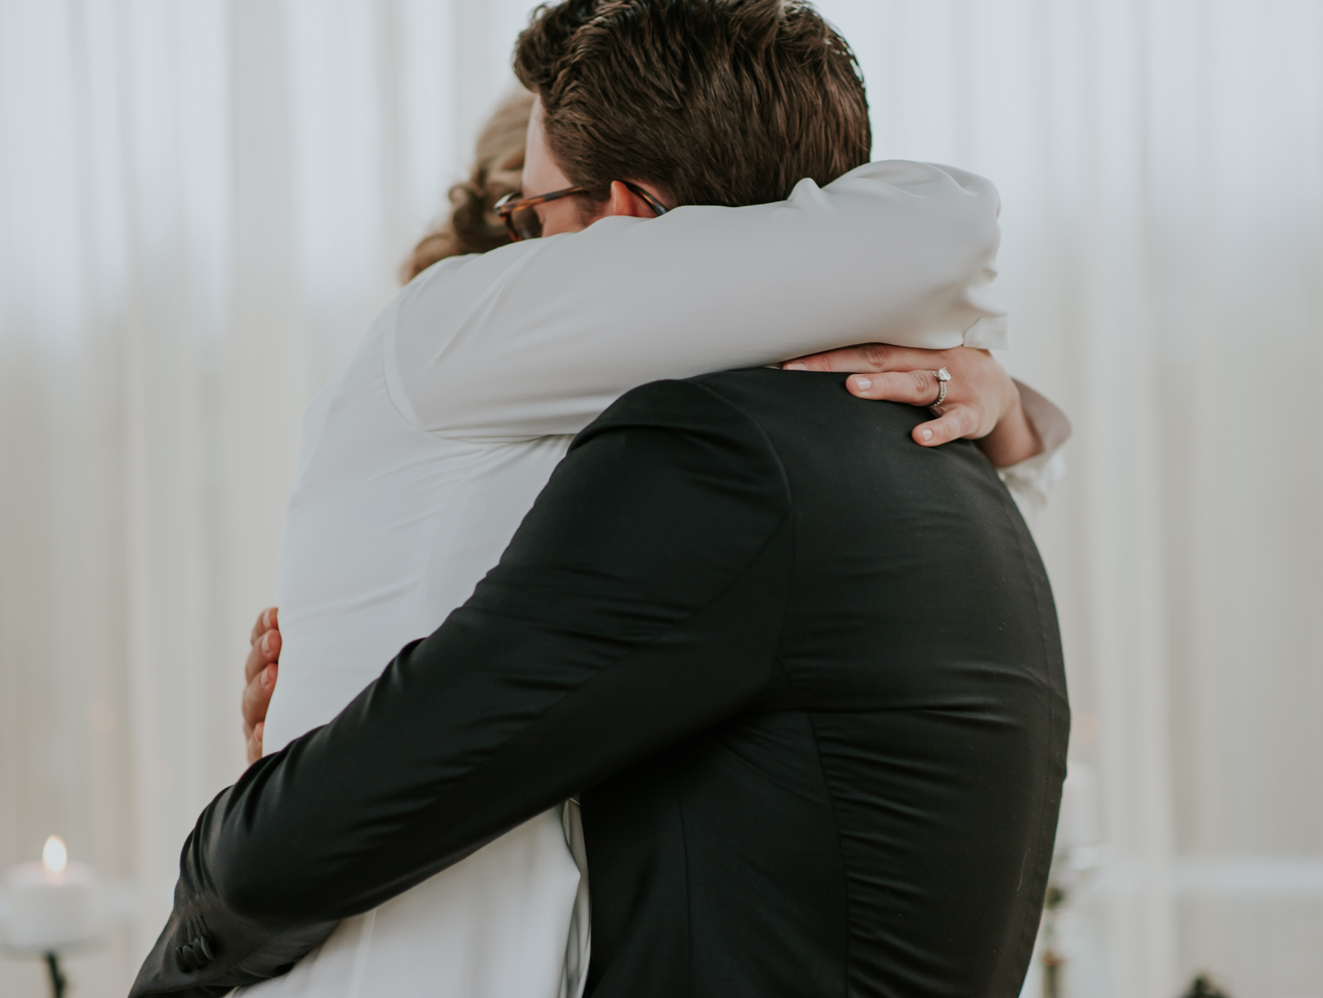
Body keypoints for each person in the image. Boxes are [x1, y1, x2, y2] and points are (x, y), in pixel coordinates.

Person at [146, 2, 1070, 996]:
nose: (522, 252)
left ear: (624, 217)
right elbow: (940, 229)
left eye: (535, 214)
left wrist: (1002, 397)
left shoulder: (719, 441)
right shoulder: (454, 328)